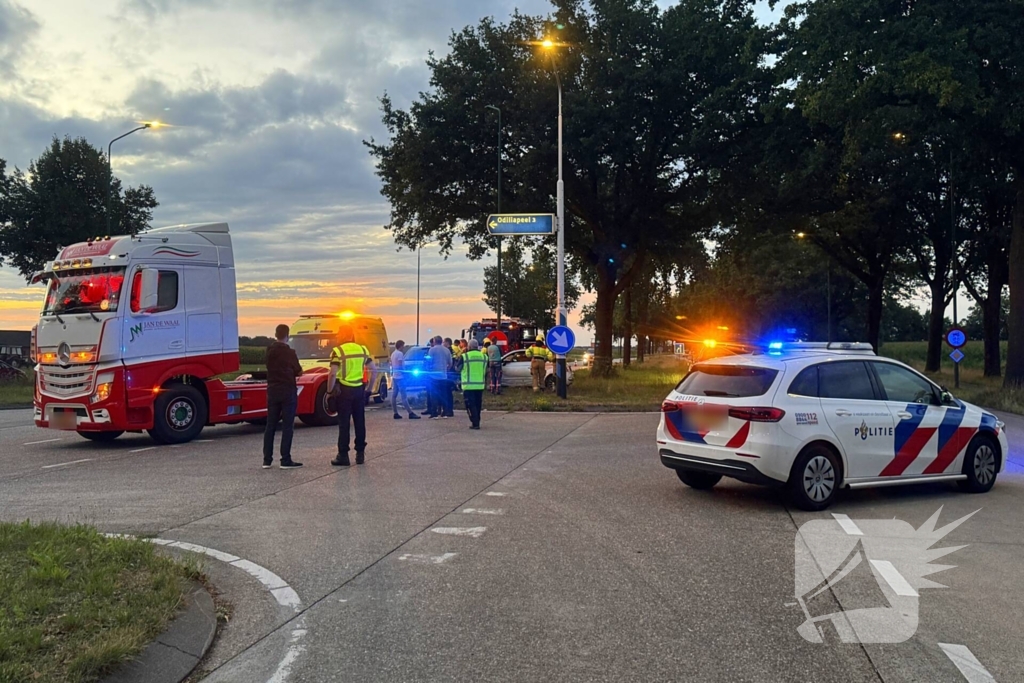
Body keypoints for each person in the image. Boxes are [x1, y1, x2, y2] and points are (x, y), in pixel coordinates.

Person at [328, 327, 375, 466]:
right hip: (359, 390)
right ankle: (360, 454)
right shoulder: (363, 350)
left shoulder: (338, 351)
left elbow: (332, 374)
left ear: (342, 336)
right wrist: (369, 389)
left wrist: (329, 391)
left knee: (344, 424)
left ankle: (343, 455)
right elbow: (374, 369)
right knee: (360, 422)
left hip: (344, 391)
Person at [263, 324, 304, 469]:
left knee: (270, 425)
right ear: (287, 335)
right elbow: (298, 371)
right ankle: (285, 459)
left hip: (272, 390)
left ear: (275, 334)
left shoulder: (269, 351)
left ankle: (267, 460)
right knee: (287, 425)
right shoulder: (290, 352)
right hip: (287, 390)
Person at [461, 339, 488, 429]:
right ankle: (477, 421)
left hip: (468, 385)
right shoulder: (484, 357)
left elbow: (457, 368)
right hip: (480, 385)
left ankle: (475, 423)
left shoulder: (465, 356)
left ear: (469, 346)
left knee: (470, 405)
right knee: (478, 404)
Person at [390, 340, 420, 420]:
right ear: (401, 346)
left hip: (395, 376)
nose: (404, 347)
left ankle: (395, 412)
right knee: (404, 396)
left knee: (394, 395)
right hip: (400, 377)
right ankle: (410, 413)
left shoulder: (393, 353)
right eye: (403, 346)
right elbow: (400, 365)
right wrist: (404, 374)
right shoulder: (400, 354)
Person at [427, 334, 453, 418]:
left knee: (433, 394)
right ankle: (444, 412)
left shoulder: (432, 350)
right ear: (441, 341)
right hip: (443, 375)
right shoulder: (446, 350)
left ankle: (434, 413)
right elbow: (450, 363)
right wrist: (446, 369)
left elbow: (429, 362)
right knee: (443, 394)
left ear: (434, 341)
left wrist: (429, 369)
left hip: (433, 376)